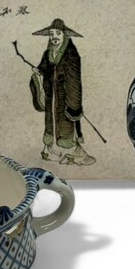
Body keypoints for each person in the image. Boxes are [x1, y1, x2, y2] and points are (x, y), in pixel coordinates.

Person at [29, 19, 96, 166]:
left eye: (58, 33)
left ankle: (73, 154)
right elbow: (44, 68)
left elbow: (74, 79)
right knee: (50, 122)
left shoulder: (71, 54)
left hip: (66, 97)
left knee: (66, 125)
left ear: (64, 35)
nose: (54, 37)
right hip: (51, 96)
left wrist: (74, 103)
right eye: (52, 33)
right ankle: (50, 151)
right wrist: (39, 71)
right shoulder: (48, 53)